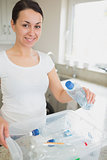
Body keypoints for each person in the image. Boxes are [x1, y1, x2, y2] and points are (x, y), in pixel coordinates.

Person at [0, 0, 95, 149]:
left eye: (37, 26)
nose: (32, 32)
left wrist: (77, 93)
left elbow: (59, 94)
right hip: (10, 135)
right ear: (13, 24)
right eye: (25, 25)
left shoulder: (45, 60)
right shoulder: (2, 60)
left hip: (40, 132)